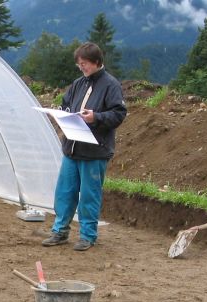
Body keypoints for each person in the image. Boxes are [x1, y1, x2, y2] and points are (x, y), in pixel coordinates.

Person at [42, 42, 127, 251]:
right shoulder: (78, 84)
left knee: (89, 195)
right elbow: (66, 104)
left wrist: (95, 117)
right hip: (72, 148)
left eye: (85, 63)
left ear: (96, 62)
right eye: (79, 64)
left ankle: (87, 235)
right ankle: (60, 231)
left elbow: (118, 114)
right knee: (65, 192)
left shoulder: (111, 85)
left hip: (94, 151)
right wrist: (61, 114)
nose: (81, 67)